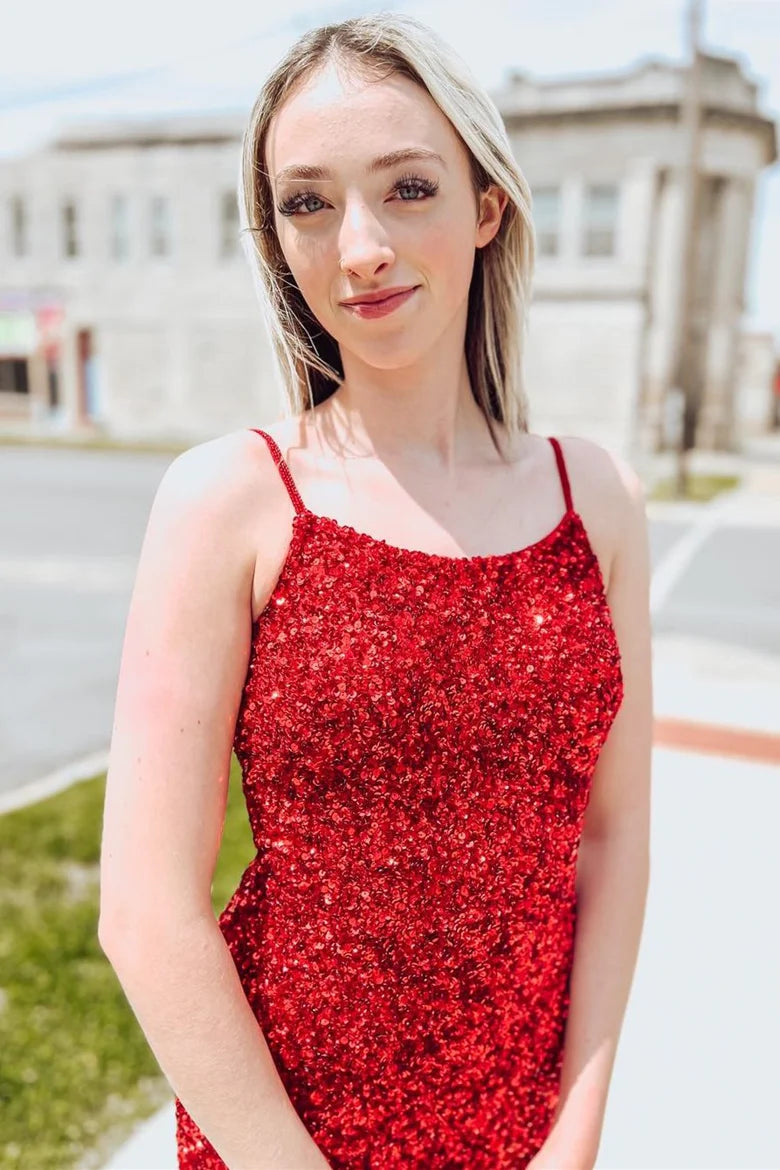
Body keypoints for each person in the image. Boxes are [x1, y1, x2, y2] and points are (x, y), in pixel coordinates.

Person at [98, 12, 652, 1170]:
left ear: (486, 205)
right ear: (277, 240)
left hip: (522, 1135)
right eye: (308, 202)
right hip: (282, 1139)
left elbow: (612, 840)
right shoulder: (229, 500)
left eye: (407, 187)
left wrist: (579, 1131)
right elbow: (147, 913)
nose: (360, 246)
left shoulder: (596, 501)